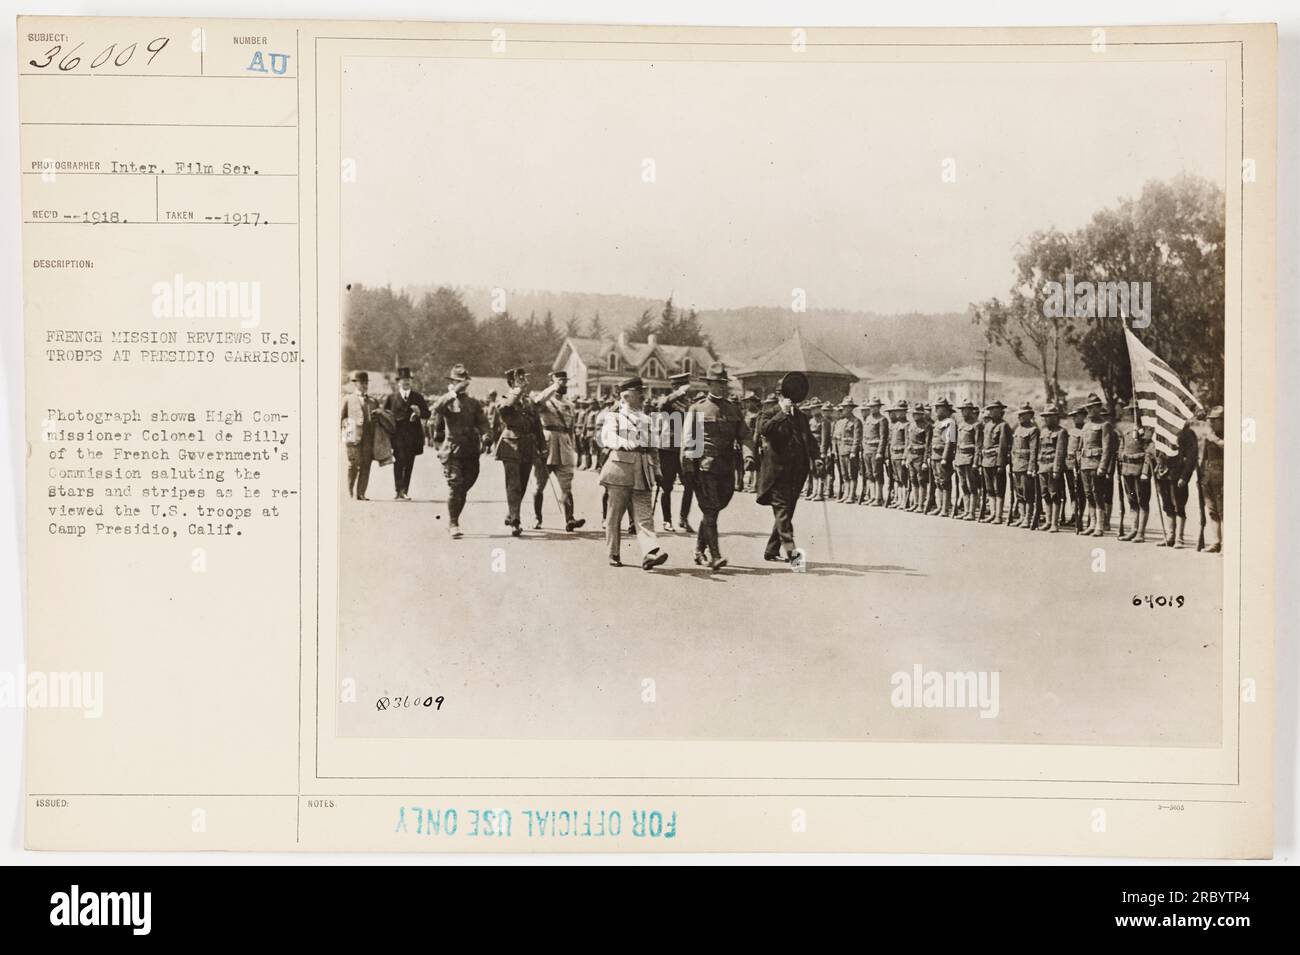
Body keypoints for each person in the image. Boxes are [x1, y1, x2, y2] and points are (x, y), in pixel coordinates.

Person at [681, 362, 755, 571]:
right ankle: (715, 555)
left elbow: (745, 435)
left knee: (714, 509)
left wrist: (749, 456)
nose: (721, 387)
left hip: (727, 468)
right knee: (711, 510)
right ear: (709, 385)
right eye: (717, 384)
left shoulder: (733, 409)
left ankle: (698, 550)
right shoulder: (697, 409)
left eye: (723, 384)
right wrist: (687, 469)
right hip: (705, 468)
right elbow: (688, 441)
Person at [599, 377, 668, 570]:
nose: (643, 396)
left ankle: (650, 553)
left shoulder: (647, 419)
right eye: (640, 393)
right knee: (615, 515)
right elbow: (607, 437)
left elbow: (653, 448)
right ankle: (613, 552)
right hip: (620, 469)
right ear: (627, 396)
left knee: (644, 514)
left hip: (643, 471)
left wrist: (658, 470)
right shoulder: (615, 416)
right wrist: (625, 443)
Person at [757, 388, 822, 563]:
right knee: (783, 514)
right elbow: (764, 430)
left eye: (793, 397)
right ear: (779, 396)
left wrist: (817, 457)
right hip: (777, 473)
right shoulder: (769, 412)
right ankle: (793, 555)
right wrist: (781, 414)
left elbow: (809, 438)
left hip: (797, 473)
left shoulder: (800, 416)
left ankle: (771, 550)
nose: (791, 400)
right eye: (787, 397)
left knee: (787, 511)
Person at [431, 364, 490, 538]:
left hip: (471, 451)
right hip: (452, 450)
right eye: (457, 382)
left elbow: (483, 422)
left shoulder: (473, 403)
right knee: (456, 484)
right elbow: (437, 407)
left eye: (463, 382)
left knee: (464, 486)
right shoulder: (448, 400)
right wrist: (454, 393)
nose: (461, 385)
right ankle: (453, 522)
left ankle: (454, 518)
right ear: (452, 382)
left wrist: (487, 435)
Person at [532, 370, 587, 532]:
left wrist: (574, 450)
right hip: (547, 445)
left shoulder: (570, 405)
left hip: (564, 446)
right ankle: (537, 517)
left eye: (565, 381)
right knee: (539, 485)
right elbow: (536, 402)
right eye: (560, 381)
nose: (563, 384)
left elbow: (571, 430)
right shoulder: (545, 402)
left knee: (566, 486)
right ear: (553, 382)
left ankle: (570, 519)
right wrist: (552, 388)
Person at [493, 366, 544, 537]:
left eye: (525, 379)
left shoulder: (529, 401)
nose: (525, 383)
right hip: (511, 445)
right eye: (520, 380)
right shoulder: (506, 397)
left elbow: (537, 424)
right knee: (513, 483)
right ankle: (516, 521)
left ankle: (511, 512)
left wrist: (542, 446)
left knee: (522, 484)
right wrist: (517, 391)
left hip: (528, 446)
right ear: (511, 383)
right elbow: (505, 408)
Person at [653, 371, 697, 533]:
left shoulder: (689, 404)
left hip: (685, 450)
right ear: (675, 387)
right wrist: (678, 393)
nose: (687, 390)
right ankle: (667, 520)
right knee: (667, 486)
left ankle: (683, 518)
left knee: (689, 485)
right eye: (682, 386)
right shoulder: (667, 402)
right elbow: (661, 406)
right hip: (668, 449)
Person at [382, 366, 430, 501]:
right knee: (399, 461)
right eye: (403, 380)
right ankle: (398, 490)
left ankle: (405, 491)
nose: (406, 382)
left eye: (408, 380)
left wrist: (420, 413)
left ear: (411, 382)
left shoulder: (417, 397)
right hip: (396, 436)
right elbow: (384, 414)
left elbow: (428, 413)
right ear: (399, 382)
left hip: (413, 437)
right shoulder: (391, 398)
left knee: (409, 463)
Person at [1151, 418, 1199, 548]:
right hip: (1163, 474)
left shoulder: (1187, 433)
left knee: (1179, 506)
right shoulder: (1162, 431)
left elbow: (1191, 457)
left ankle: (1179, 537)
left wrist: (1185, 476)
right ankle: (1170, 536)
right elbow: (1156, 450)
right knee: (1167, 506)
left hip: (1178, 475)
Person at [1078, 393, 1117, 536]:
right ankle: (1092, 524)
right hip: (1085, 464)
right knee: (1089, 494)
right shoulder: (1086, 426)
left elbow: (1107, 448)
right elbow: (1082, 446)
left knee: (1098, 494)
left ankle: (1100, 526)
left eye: (1092, 407)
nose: (1089, 411)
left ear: (1098, 408)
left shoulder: (1105, 425)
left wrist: (1103, 466)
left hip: (1096, 464)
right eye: (1088, 408)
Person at [1116, 402, 1154, 543]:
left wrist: (1145, 471)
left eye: (1137, 411)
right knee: (1132, 501)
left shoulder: (1148, 431)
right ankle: (1133, 529)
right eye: (1132, 411)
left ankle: (1141, 532)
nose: (1134, 414)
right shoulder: (1126, 429)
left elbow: (1149, 452)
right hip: (1127, 470)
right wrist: (1120, 464)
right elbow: (1121, 448)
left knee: (1142, 501)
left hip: (1140, 471)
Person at [340, 371, 378, 501]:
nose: (364, 385)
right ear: (355, 384)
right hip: (353, 437)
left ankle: (361, 493)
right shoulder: (348, 399)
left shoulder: (373, 401)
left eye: (366, 383)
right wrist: (347, 438)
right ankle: (349, 491)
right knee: (353, 465)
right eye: (362, 383)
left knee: (366, 465)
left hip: (369, 437)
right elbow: (342, 418)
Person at [1036, 403, 1069, 533]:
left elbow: (1060, 452)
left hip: (1052, 467)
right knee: (1045, 494)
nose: (1046, 419)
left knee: (1055, 495)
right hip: (1042, 466)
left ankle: (1054, 523)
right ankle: (1048, 521)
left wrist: (1056, 469)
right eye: (1045, 416)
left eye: (1049, 416)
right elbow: (1040, 449)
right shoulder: (1043, 431)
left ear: (1056, 417)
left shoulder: (1061, 432)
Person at [978, 400, 1011, 524]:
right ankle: (992, 514)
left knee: (999, 489)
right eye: (990, 409)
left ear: (1000, 411)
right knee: (990, 488)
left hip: (996, 460)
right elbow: (983, 444)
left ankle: (998, 515)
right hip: (986, 460)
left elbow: (1003, 446)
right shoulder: (987, 425)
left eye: (994, 409)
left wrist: (1001, 464)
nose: (991, 411)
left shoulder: (1003, 425)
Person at [1010, 402, 1039, 529]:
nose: (1020, 417)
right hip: (1016, 465)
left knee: (1028, 493)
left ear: (1030, 415)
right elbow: (1013, 449)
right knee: (1019, 493)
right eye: (1019, 415)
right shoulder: (1017, 429)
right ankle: (1022, 517)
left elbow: (1034, 451)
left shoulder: (1033, 430)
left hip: (1026, 465)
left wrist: (1031, 468)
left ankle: (1028, 518)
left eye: (1023, 415)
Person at [1198, 406, 1224, 553]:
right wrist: (1201, 475)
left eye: (1215, 420)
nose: (1212, 423)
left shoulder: (1226, 433)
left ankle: (1226, 543)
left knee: (1223, 511)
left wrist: (1214, 439)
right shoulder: (1210, 436)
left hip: (1222, 476)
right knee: (1212, 511)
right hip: (1208, 476)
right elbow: (1204, 457)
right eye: (1211, 420)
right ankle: (1216, 542)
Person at [953, 400, 982, 521]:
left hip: (970, 459)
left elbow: (978, 445)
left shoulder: (977, 425)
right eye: (962, 410)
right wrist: (955, 459)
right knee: (963, 486)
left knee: (972, 486)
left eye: (966, 410)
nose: (964, 412)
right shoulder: (960, 424)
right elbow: (957, 444)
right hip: (960, 458)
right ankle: (966, 511)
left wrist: (976, 462)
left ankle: (972, 512)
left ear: (971, 411)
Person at [929, 397, 957, 517]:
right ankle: (940, 507)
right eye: (936, 408)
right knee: (938, 482)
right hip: (935, 455)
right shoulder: (936, 422)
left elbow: (950, 442)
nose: (936, 410)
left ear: (945, 410)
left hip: (942, 457)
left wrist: (945, 457)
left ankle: (945, 509)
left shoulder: (950, 423)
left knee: (945, 483)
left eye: (939, 408)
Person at [831, 395, 862, 503]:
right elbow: (835, 437)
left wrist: (854, 451)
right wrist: (835, 451)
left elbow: (857, 438)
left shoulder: (856, 421)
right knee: (844, 474)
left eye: (846, 407)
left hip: (850, 451)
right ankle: (846, 494)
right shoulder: (840, 422)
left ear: (850, 408)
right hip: (841, 450)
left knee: (852, 473)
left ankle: (851, 495)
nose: (843, 409)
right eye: (843, 407)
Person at [859, 398, 888, 506]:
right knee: (869, 474)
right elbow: (864, 436)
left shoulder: (882, 420)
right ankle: (872, 496)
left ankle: (878, 497)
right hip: (867, 450)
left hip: (876, 450)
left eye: (874, 407)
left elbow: (883, 437)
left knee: (877, 474)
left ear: (879, 407)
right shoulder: (867, 419)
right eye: (870, 407)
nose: (872, 409)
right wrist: (863, 449)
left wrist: (880, 452)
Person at [1064, 405, 1088, 534]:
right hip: (1069, 464)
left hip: (1080, 464)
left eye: (1076, 416)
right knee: (1072, 492)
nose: (1074, 418)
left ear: (1083, 416)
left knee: (1081, 493)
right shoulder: (1070, 431)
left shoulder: (1086, 430)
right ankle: (1074, 515)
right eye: (1073, 416)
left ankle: (1080, 516)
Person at [904, 403, 931, 513]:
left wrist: (925, 461)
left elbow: (928, 445)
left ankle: (921, 504)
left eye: (918, 414)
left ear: (922, 414)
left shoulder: (927, 426)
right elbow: (907, 443)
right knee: (913, 480)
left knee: (921, 481)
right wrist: (906, 457)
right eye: (914, 414)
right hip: (911, 456)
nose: (915, 416)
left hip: (920, 456)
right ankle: (915, 504)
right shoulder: (909, 425)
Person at [887, 400, 909, 508]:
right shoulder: (894, 425)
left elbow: (907, 442)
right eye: (897, 411)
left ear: (905, 412)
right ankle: (898, 499)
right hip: (893, 454)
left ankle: (904, 501)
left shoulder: (906, 425)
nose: (898, 413)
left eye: (900, 411)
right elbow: (891, 441)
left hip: (901, 455)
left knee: (903, 479)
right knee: (897, 479)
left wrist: (905, 457)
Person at [741, 392, 761, 492]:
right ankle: (750, 483)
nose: (748, 404)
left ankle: (755, 484)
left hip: (754, 439)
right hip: (746, 439)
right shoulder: (745, 413)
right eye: (747, 402)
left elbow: (757, 429)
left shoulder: (758, 413)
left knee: (756, 463)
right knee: (749, 462)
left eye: (750, 402)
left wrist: (754, 441)